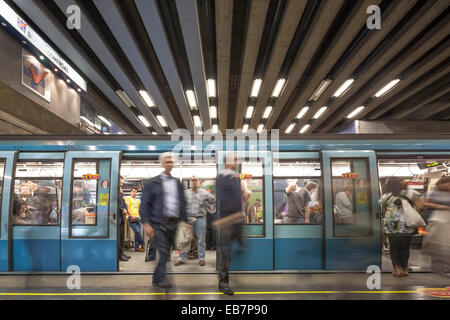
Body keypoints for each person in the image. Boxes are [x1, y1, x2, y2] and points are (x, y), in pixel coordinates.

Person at [140, 152, 189, 288]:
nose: (170, 164)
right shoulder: (152, 183)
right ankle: (161, 279)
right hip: (158, 223)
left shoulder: (177, 183)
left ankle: (156, 278)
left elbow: (182, 202)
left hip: (173, 223)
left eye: (171, 162)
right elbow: (144, 204)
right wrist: (146, 223)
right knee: (163, 252)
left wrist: (185, 221)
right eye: (167, 162)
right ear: (162, 164)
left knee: (166, 252)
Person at [216, 153, 251, 295]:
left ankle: (239, 245)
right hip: (227, 220)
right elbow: (223, 200)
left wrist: (245, 196)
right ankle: (223, 283)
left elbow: (240, 198)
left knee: (239, 245)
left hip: (237, 219)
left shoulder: (236, 178)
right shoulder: (222, 178)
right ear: (228, 162)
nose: (236, 162)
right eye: (234, 159)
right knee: (225, 254)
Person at [175, 176, 215, 267]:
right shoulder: (185, 193)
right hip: (188, 219)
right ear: (190, 183)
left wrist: (209, 207)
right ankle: (182, 258)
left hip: (200, 218)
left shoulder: (205, 193)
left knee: (201, 240)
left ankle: (201, 259)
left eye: (196, 180)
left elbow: (213, 200)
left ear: (199, 182)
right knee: (185, 240)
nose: (194, 182)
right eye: (192, 181)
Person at [379, 177, 415, 277]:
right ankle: (404, 270)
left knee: (394, 248)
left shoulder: (385, 196)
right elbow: (417, 207)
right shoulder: (407, 195)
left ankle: (396, 270)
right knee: (405, 248)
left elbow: (384, 211)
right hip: (406, 225)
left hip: (392, 226)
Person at [125, 188, 145, 252]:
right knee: (138, 232)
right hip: (131, 218)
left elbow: (139, 209)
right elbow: (127, 208)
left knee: (137, 233)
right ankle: (143, 243)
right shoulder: (128, 198)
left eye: (136, 192)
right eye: (133, 191)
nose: (135, 193)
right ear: (131, 192)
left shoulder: (138, 200)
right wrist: (131, 216)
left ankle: (137, 248)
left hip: (138, 218)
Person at [118, 177, 131, 262]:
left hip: (122, 218)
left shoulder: (121, 191)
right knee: (118, 238)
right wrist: (122, 210)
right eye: (120, 183)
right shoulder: (114, 191)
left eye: (122, 183)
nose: (121, 184)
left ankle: (122, 252)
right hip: (117, 217)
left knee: (122, 237)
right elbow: (115, 203)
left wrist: (126, 209)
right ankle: (118, 255)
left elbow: (124, 203)